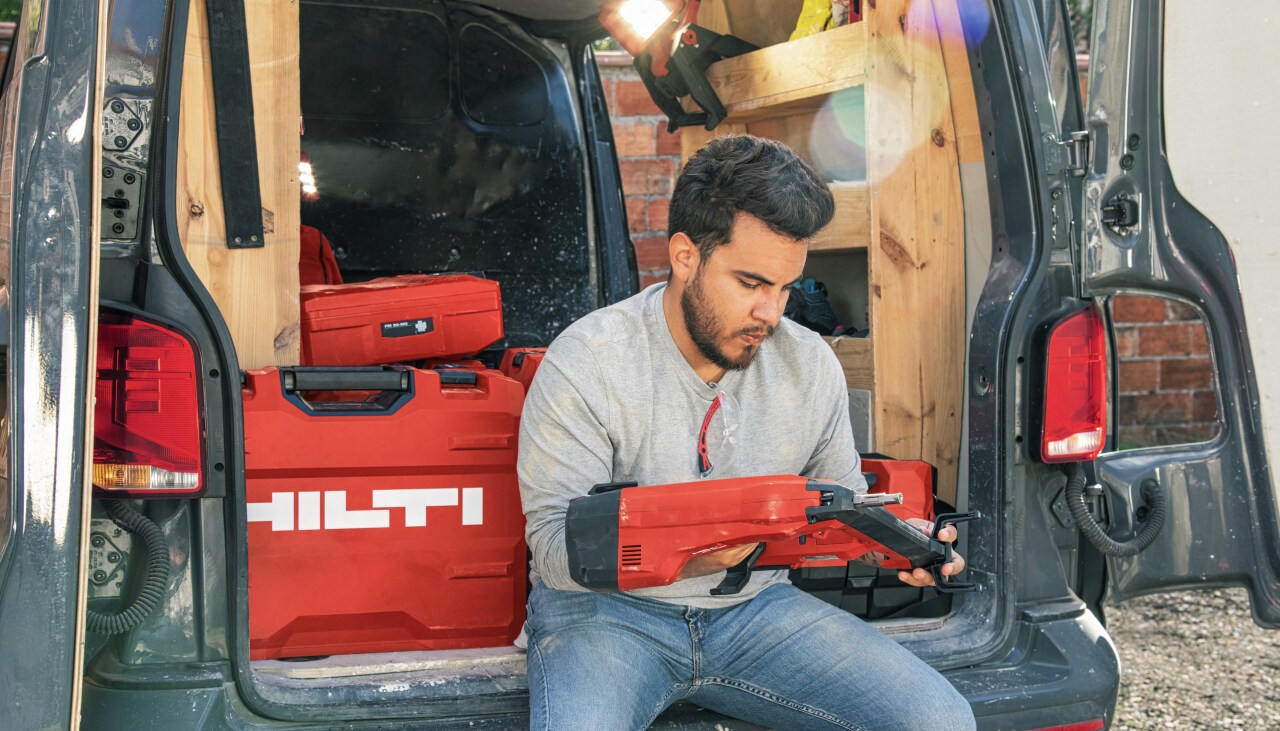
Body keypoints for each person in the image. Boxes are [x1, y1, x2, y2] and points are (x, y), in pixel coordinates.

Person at [517, 134, 975, 730]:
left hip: (754, 609)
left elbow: (842, 504)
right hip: (603, 617)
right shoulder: (588, 362)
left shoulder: (808, 364)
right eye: (752, 284)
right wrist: (699, 553)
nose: (772, 313)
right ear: (685, 256)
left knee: (939, 721)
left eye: (785, 288)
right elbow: (554, 550)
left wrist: (894, 540)